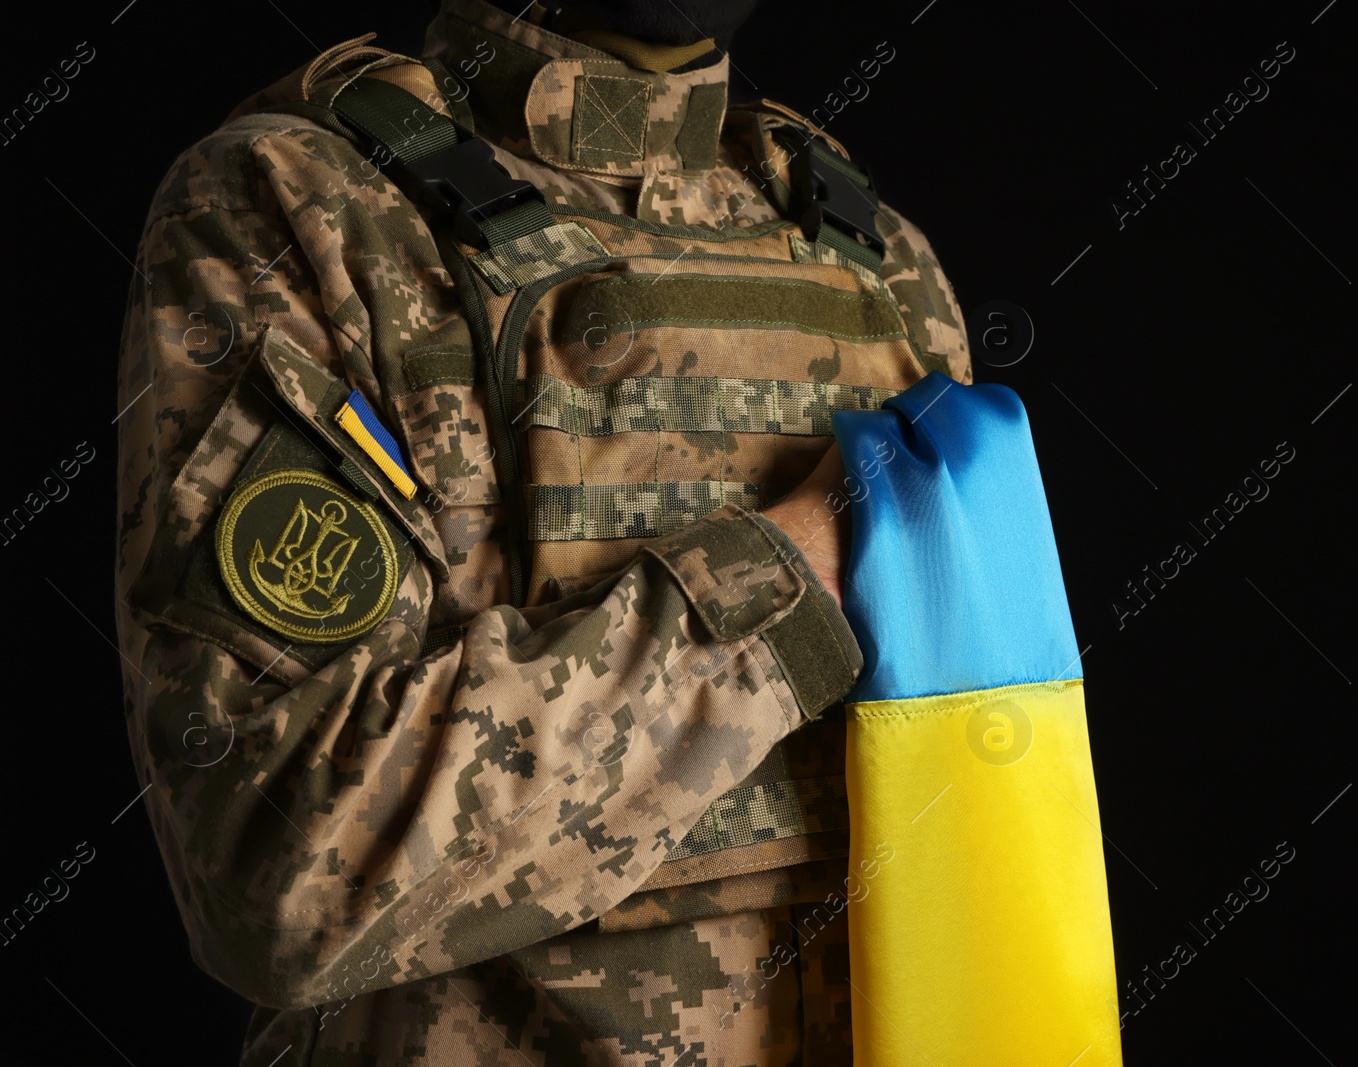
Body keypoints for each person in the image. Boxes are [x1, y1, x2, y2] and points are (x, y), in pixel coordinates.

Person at [113, 0, 969, 1062]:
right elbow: (273, 873)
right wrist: (778, 587)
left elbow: (977, 816)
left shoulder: (881, 264)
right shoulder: (313, 203)